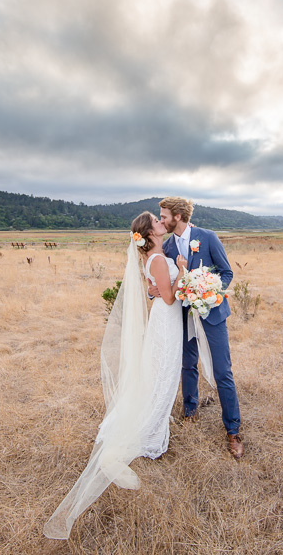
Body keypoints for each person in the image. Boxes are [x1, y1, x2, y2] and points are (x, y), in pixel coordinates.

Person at [43, 212, 187, 540]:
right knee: (163, 376)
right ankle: (149, 433)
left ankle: (152, 422)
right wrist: (185, 272)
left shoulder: (154, 258)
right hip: (166, 323)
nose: (162, 222)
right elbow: (168, 296)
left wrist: (168, 277)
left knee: (160, 376)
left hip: (164, 323)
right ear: (150, 232)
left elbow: (155, 290)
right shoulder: (162, 259)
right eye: (157, 221)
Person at [155, 196, 243, 459]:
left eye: (164, 216)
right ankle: (190, 412)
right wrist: (153, 291)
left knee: (222, 371)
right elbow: (164, 280)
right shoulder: (167, 247)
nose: (161, 220)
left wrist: (209, 290)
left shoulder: (208, 237)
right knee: (187, 365)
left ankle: (233, 430)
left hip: (212, 313)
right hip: (182, 316)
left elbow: (226, 272)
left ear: (178, 217)